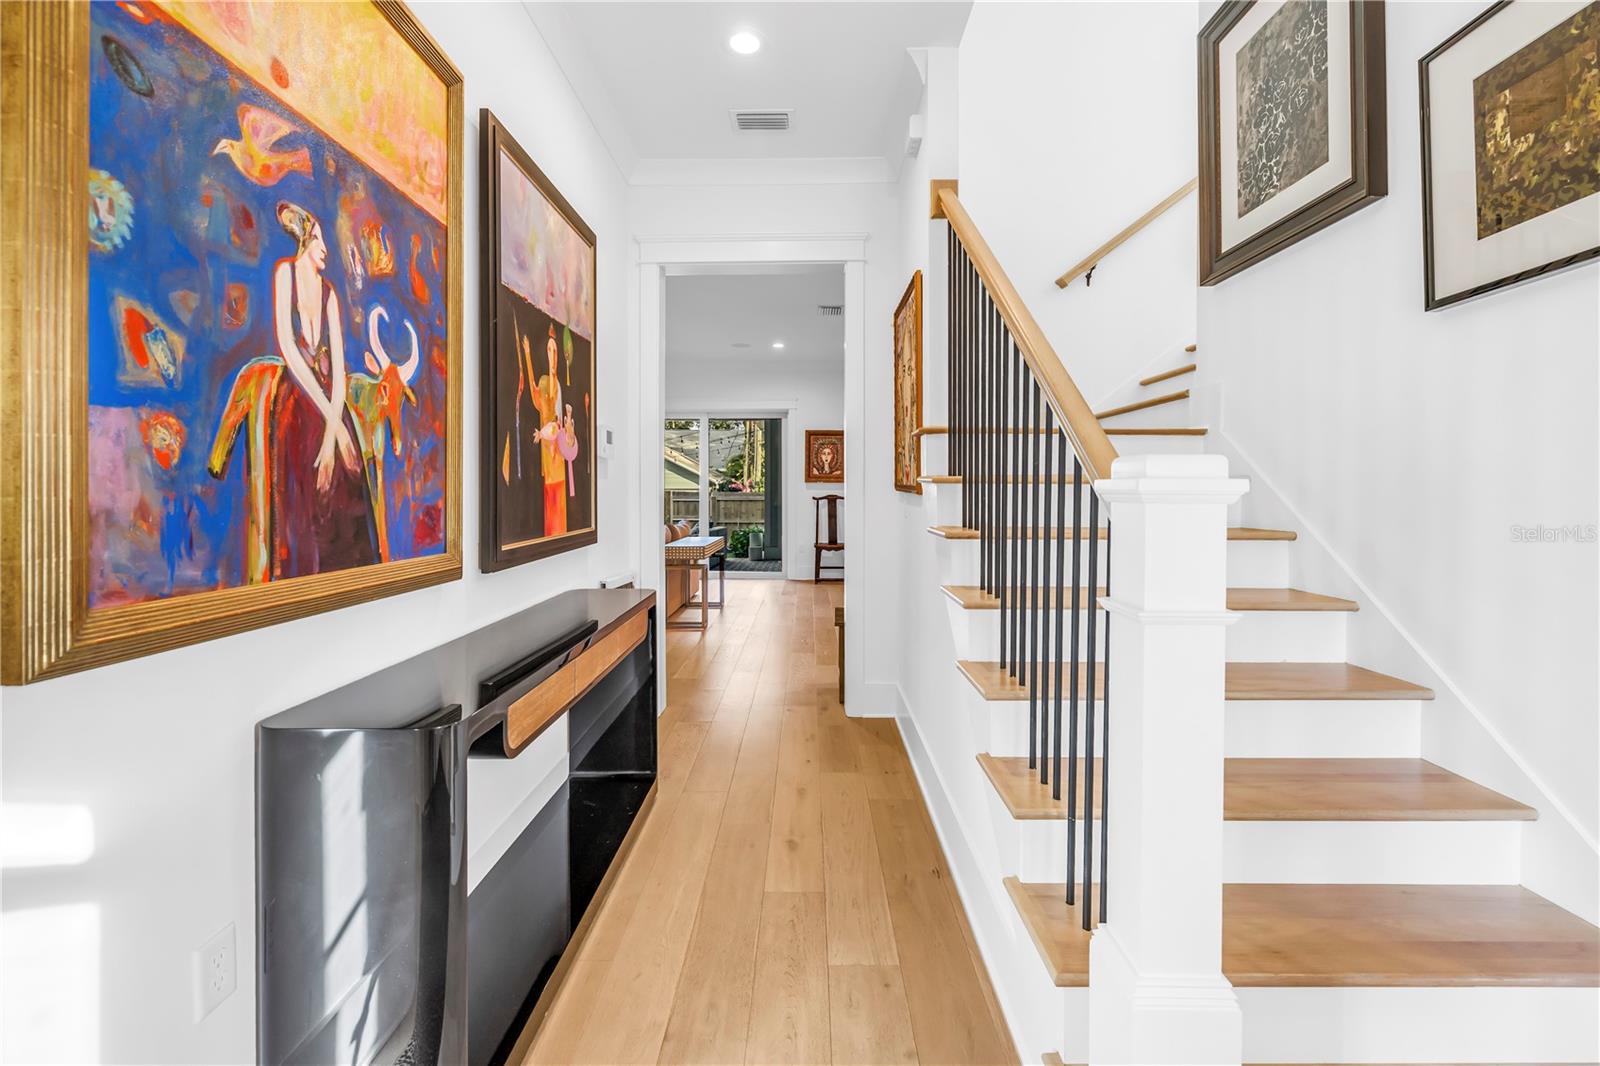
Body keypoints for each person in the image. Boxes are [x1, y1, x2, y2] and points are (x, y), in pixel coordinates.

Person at [269, 202, 378, 575]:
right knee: (308, 476)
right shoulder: (285, 274)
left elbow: (341, 368)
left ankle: (351, 576)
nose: (325, 248)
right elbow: (290, 351)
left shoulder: (329, 293)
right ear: (304, 240)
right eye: (318, 239)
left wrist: (337, 434)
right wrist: (330, 428)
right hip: (299, 395)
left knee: (349, 470)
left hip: (331, 401)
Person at [532, 323, 568, 535]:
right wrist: (527, 356)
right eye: (549, 350)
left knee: (558, 500)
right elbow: (538, 401)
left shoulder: (558, 386)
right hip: (548, 456)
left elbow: (559, 423)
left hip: (558, 458)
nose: (553, 356)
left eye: (555, 351)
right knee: (550, 499)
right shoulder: (544, 382)